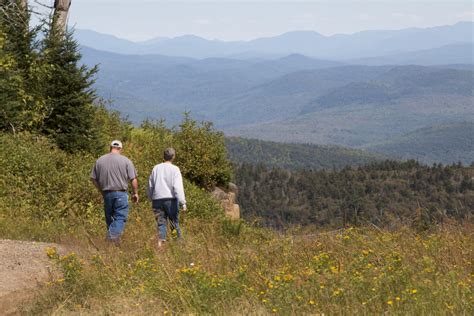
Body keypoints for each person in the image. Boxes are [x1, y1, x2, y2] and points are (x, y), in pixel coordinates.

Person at [91, 140, 139, 242]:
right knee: (120, 217)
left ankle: (113, 244)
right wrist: (135, 193)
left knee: (110, 218)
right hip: (121, 193)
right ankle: (111, 238)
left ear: (110, 147)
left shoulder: (99, 160)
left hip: (107, 193)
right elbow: (133, 179)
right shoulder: (126, 161)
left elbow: (93, 179)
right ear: (120, 149)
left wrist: (101, 190)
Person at [147, 147, 187, 247]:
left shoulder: (156, 168)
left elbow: (150, 185)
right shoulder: (175, 169)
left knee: (161, 223)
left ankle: (161, 242)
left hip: (157, 199)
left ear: (163, 156)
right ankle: (176, 242)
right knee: (173, 223)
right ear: (173, 157)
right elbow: (177, 187)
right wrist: (183, 202)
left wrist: (150, 197)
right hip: (171, 200)